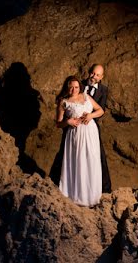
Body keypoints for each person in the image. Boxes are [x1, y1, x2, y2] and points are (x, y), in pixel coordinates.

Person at [55, 76, 103, 206]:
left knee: (91, 160)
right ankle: (77, 195)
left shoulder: (86, 96)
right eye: (71, 87)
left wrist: (90, 115)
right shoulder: (63, 101)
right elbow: (58, 124)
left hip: (91, 132)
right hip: (76, 134)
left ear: (79, 87)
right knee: (79, 161)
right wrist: (68, 121)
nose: (74, 90)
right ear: (67, 87)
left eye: (76, 87)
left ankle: (92, 196)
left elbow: (100, 110)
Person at [81, 64, 112, 193]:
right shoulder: (80, 85)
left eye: (97, 75)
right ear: (89, 72)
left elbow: (101, 109)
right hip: (77, 125)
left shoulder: (103, 90)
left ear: (101, 77)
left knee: (98, 156)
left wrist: (90, 117)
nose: (94, 76)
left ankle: (105, 189)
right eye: (93, 73)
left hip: (92, 126)